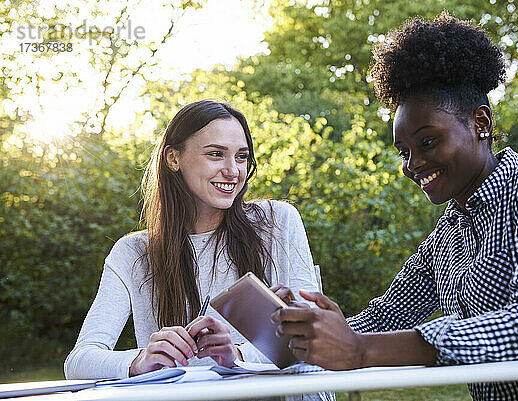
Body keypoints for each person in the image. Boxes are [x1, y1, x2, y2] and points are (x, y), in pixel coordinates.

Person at [271, 12, 518, 401]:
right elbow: (383, 318)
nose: (413, 164)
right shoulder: (448, 237)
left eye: (427, 142)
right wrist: (309, 327)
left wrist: (360, 350)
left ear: (480, 123)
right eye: (404, 152)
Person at [64, 100, 331, 400]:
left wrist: (239, 355)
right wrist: (139, 361)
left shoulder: (277, 222)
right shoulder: (132, 253)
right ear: (173, 158)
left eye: (241, 157)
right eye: (216, 154)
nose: (233, 171)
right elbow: (79, 361)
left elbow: (313, 338)